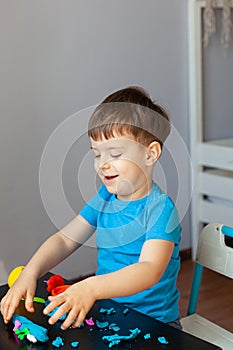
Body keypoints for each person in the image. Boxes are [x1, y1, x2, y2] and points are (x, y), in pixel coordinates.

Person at [0, 86, 182, 330]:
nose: (103, 165)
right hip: (109, 313)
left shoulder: (161, 209)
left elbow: (148, 270)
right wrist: (30, 272)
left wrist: (90, 286)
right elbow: (65, 240)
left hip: (156, 324)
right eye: (97, 154)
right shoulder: (105, 197)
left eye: (115, 154)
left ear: (150, 155)